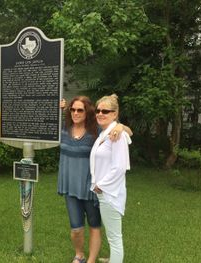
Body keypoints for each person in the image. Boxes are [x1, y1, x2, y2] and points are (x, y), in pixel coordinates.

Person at [58, 96, 131, 263]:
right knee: (76, 228)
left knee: (96, 226)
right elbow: (42, 124)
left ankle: (91, 260)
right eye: (73, 109)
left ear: (87, 112)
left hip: (92, 187)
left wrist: (120, 126)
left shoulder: (97, 130)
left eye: (80, 110)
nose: (76, 113)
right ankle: (79, 255)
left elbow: (127, 133)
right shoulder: (64, 129)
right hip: (71, 185)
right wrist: (56, 109)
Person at [90, 94, 131, 263]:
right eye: (98, 110)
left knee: (114, 237)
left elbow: (120, 167)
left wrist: (101, 185)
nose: (100, 113)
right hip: (104, 191)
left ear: (115, 114)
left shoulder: (117, 135)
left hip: (109, 193)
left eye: (105, 111)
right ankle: (113, 258)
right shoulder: (105, 133)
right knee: (112, 233)